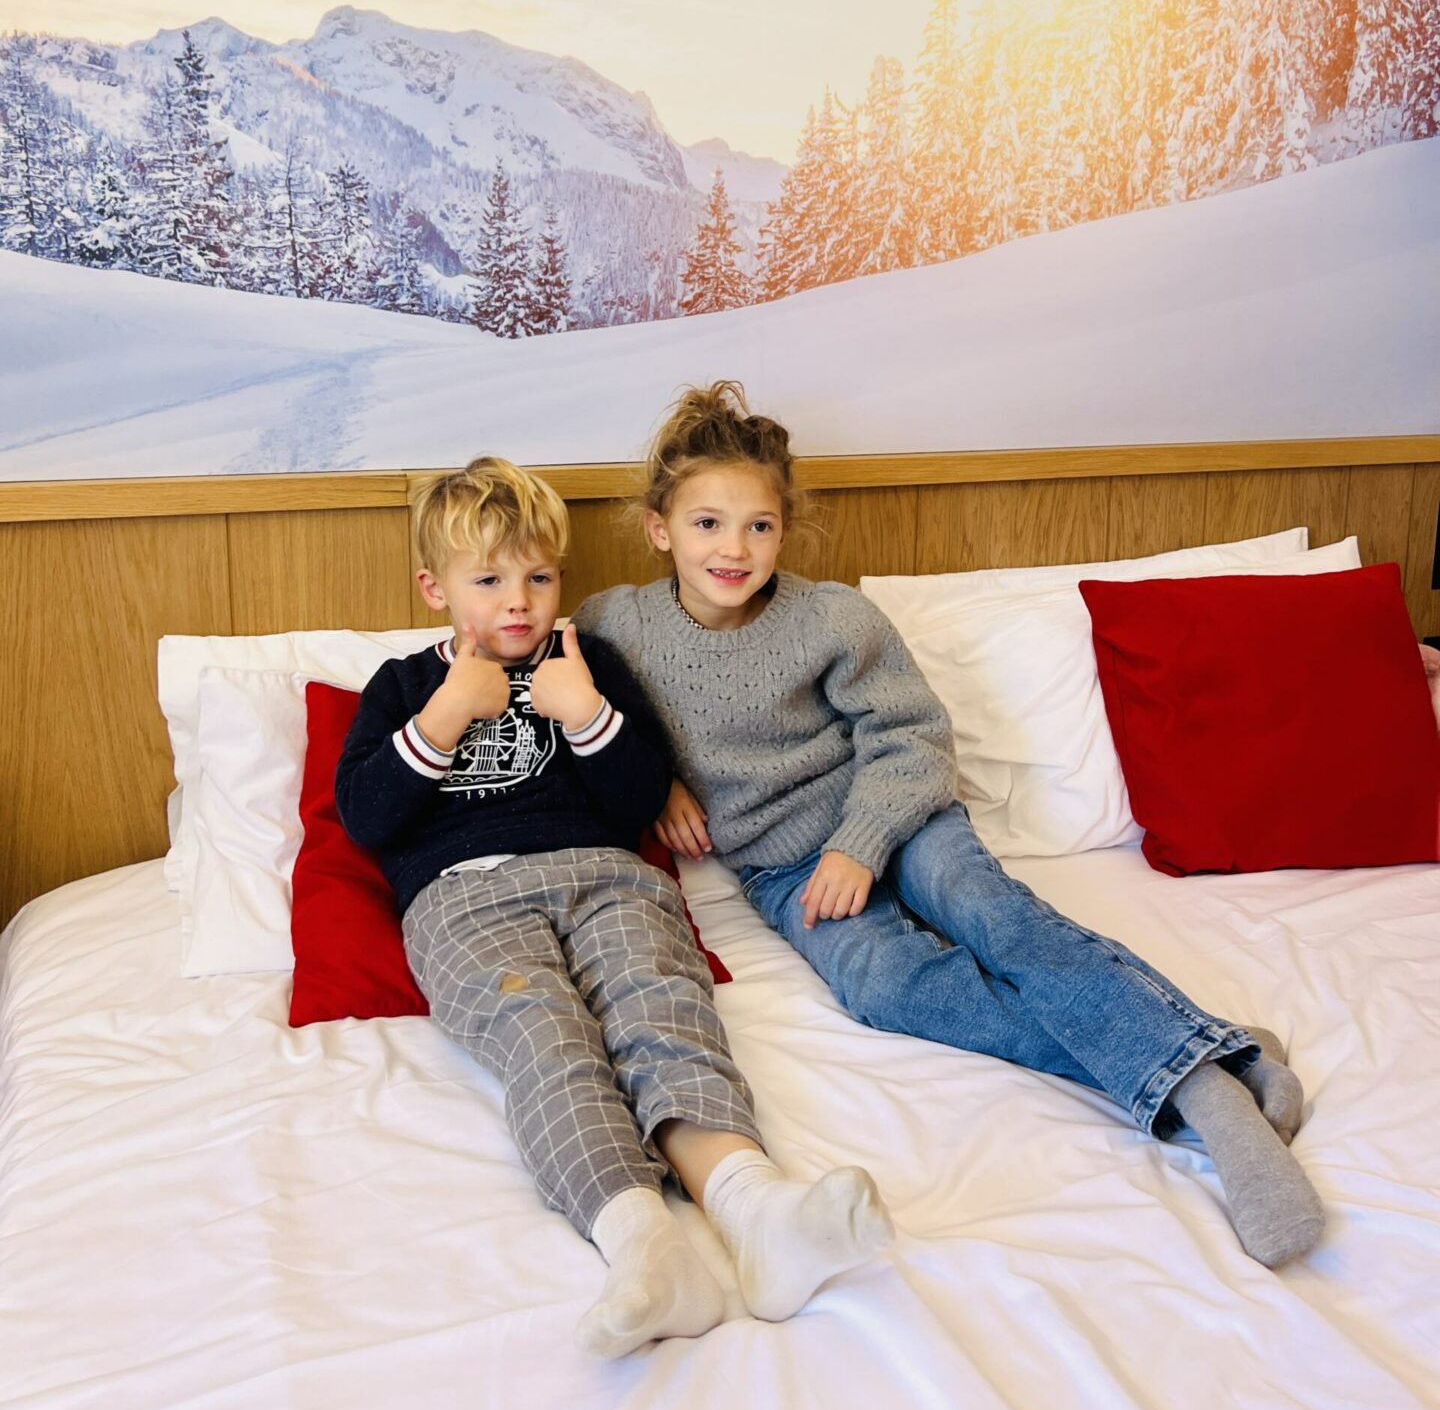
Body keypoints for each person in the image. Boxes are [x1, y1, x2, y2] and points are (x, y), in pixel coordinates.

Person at [574, 385, 1326, 1269]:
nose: (732, 549)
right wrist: (657, 782)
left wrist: (861, 842)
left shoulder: (832, 617)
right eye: (707, 524)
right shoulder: (612, 625)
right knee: (888, 990)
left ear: (786, 530)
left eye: (758, 526)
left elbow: (915, 737)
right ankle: (1215, 1062)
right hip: (783, 869)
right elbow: (586, 721)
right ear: (660, 528)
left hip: (899, 819)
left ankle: (1202, 1094)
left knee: (997, 920)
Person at [335, 455, 893, 1359]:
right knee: (544, 1038)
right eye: (488, 582)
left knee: (659, 1007)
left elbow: (639, 799)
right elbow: (365, 815)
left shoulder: (589, 662)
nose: (519, 603)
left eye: (538, 578)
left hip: (605, 873)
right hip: (465, 897)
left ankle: (756, 1209)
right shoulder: (402, 685)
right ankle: (644, 1247)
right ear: (435, 589)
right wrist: (445, 715)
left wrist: (587, 713)